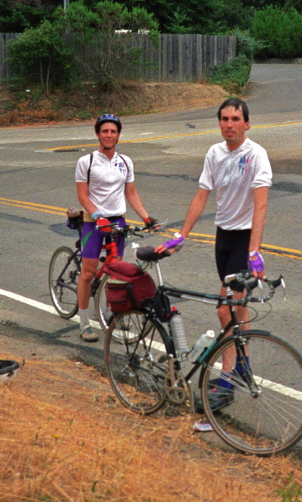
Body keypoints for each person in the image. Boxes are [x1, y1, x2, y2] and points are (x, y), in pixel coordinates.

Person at [155, 97, 272, 409]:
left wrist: (254, 252)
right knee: (239, 309)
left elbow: (260, 205)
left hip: (244, 239)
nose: (229, 125)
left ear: (247, 123)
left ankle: (226, 381)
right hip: (223, 239)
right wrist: (182, 234)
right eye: (224, 119)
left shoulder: (256, 154)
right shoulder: (214, 154)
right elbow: (201, 196)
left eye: (235, 119)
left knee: (226, 310)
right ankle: (245, 366)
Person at [75, 113, 156, 342]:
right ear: (98, 134)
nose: (109, 135)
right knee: (88, 273)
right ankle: (84, 322)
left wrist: (146, 217)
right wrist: (98, 216)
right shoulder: (86, 162)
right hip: (94, 222)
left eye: (113, 131)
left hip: (117, 222)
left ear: (118, 135)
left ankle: (111, 314)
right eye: (105, 131)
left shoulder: (125, 162)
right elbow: (83, 196)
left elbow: (131, 192)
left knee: (114, 270)